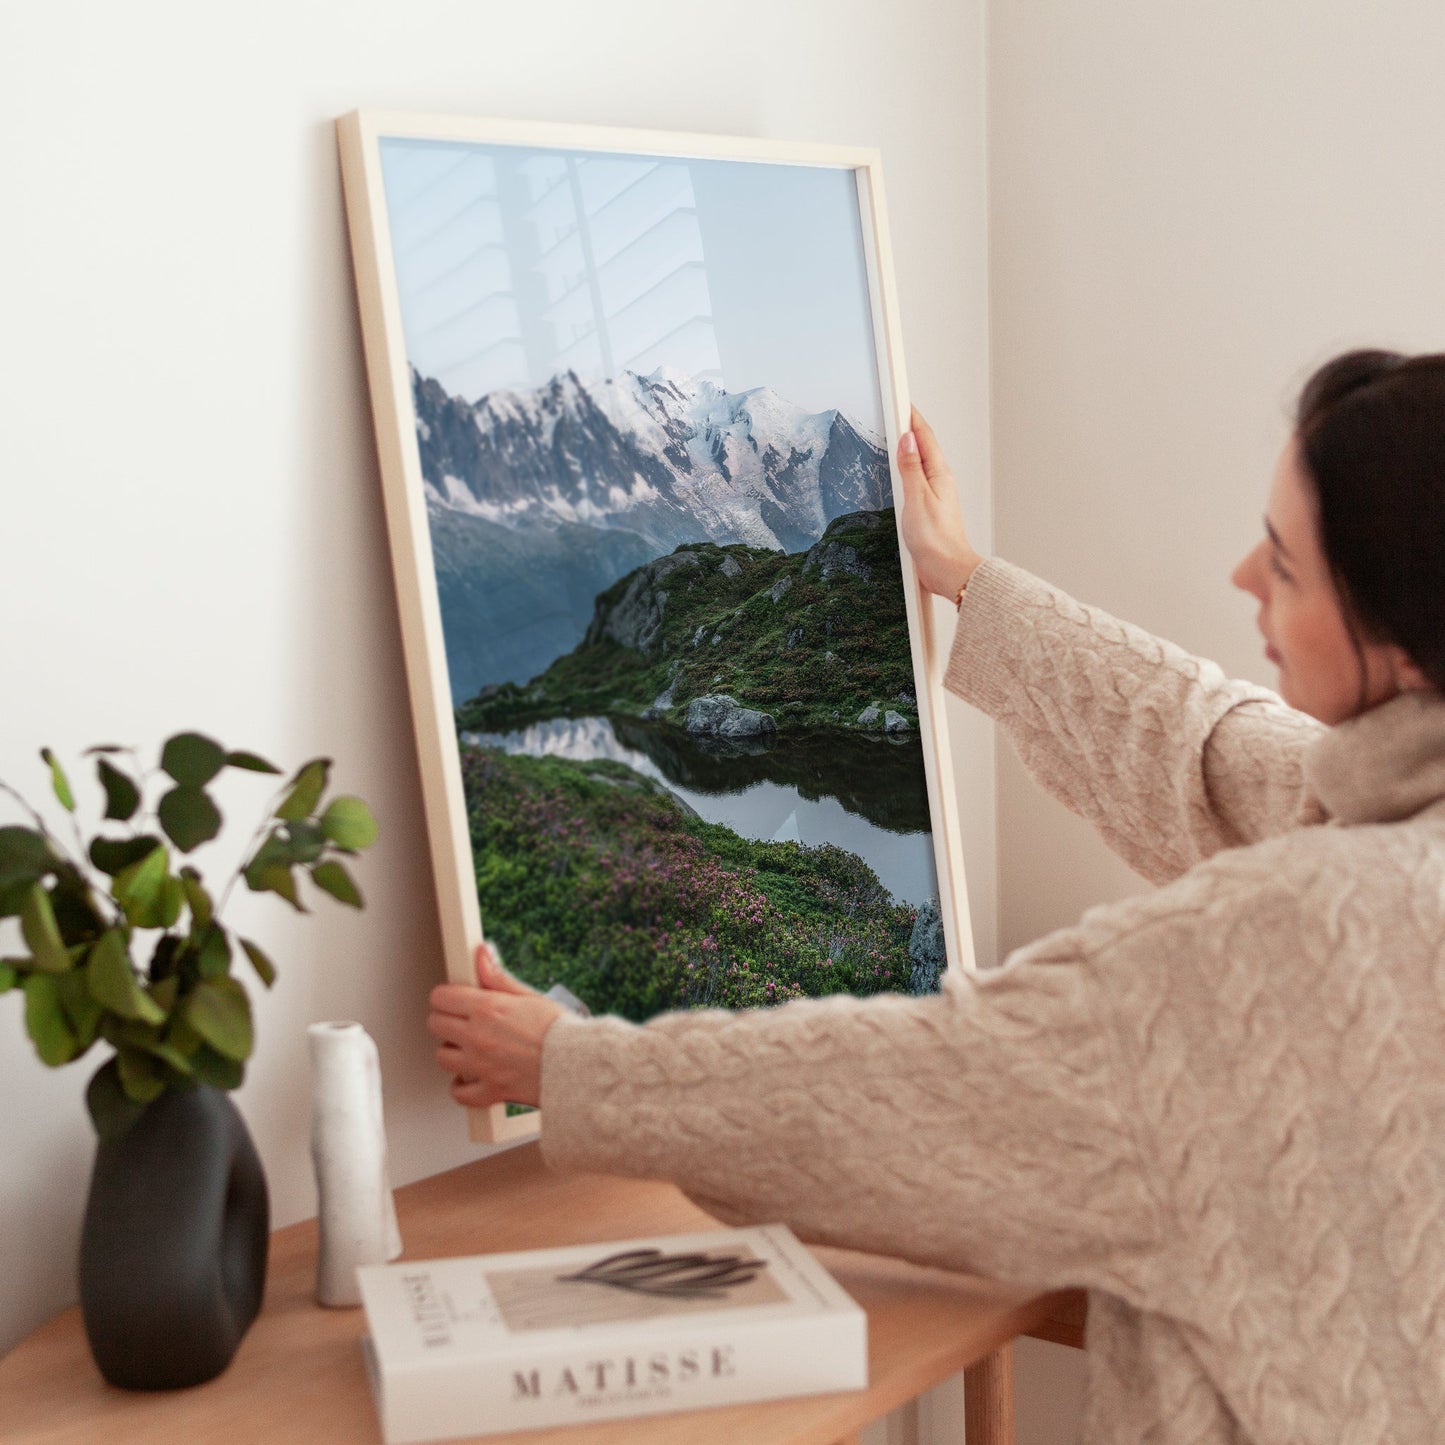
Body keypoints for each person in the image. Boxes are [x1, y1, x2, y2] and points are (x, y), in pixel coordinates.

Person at [428, 349, 1445, 1444]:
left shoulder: (1282, 940)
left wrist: (569, 1066)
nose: (1243, 573)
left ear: (1395, 640)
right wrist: (965, 578)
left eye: (1286, 566)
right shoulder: (1393, 819)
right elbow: (1206, 748)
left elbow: (922, 1088)